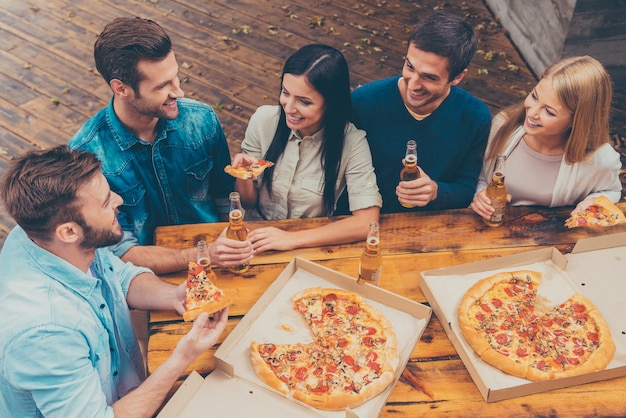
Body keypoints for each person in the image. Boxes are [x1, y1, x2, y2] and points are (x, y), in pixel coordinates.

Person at [0, 145, 229, 417]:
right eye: (106, 202)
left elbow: (118, 275)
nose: (119, 200)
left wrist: (174, 296)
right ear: (69, 231)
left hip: (125, 390)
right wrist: (182, 358)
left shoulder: (47, 237)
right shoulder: (45, 333)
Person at [69, 17, 253, 274]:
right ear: (121, 88)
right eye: (163, 85)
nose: (179, 92)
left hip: (221, 260)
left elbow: (224, 198)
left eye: (177, 78)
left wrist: (229, 251)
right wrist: (204, 254)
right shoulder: (86, 155)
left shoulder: (203, 119)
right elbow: (120, 251)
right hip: (148, 275)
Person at [231, 44, 381, 252]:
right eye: (285, 92)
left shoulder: (352, 142)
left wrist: (293, 239)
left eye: (304, 101)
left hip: (310, 247)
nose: (289, 108)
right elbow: (248, 203)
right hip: (253, 240)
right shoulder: (263, 120)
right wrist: (244, 176)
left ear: (330, 104)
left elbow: (367, 222)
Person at [347, 11, 491, 213]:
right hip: (359, 223)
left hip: (428, 229)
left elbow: (466, 189)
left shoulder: (476, 117)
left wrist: (435, 192)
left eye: (429, 77)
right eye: (409, 66)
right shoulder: (362, 102)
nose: (413, 84)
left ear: (457, 77)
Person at [471, 55, 622, 220]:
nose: (532, 112)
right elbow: (484, 177)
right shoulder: (503, 126)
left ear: (576, 121)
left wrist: (592, 201)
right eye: (535, 96)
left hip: (557, 238)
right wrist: (481, 196)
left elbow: (612, 191)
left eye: (549, 111)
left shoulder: (601, 159)